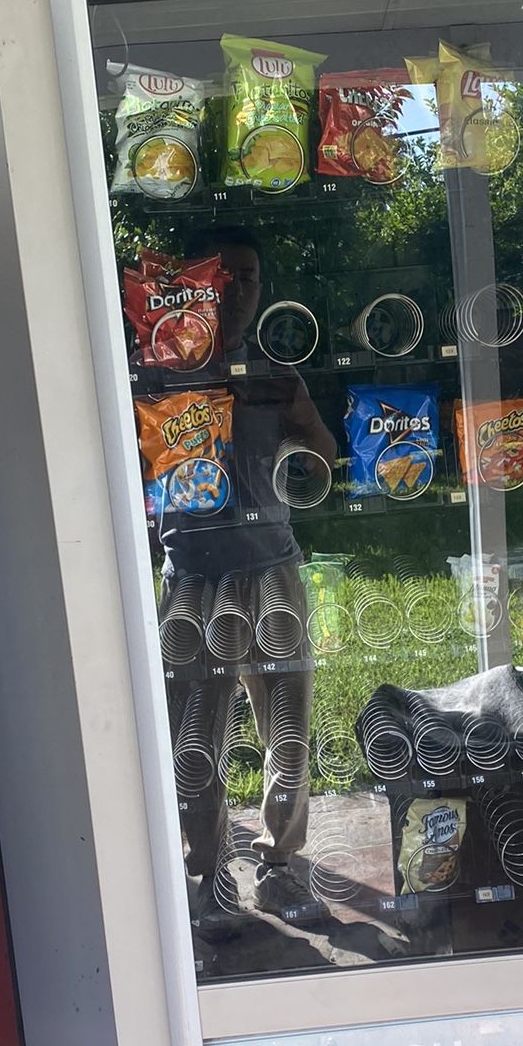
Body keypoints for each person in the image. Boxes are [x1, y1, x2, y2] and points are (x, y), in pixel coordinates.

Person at [156, 225, 336, 933]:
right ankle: (206, 873)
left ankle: (281, 867)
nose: (238, 290)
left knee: (286, 731)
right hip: (194, 574)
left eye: (251, 278)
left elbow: (323, 452)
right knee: (194, 741)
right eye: (223, 276)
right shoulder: (159, 372)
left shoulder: (275, 373)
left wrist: (292, 416)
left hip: (271, 568)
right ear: (196, 285)